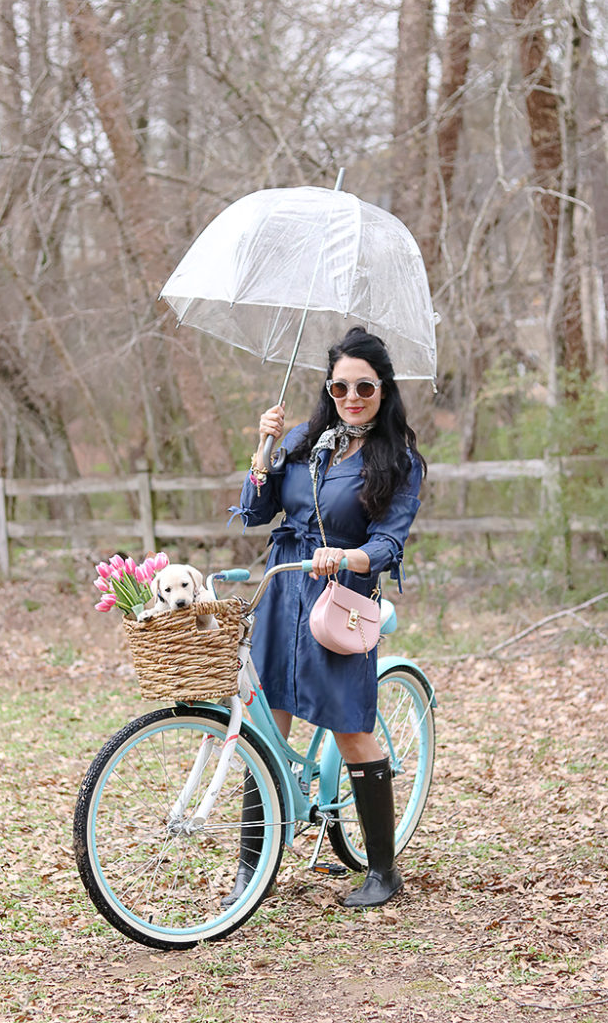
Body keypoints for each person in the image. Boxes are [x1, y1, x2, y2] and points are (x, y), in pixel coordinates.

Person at [225, 326, 426, 909]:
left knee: (351, 729)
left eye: (364, 386)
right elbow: (256, 511)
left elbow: (391, 542)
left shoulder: (399, 461)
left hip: (339, 598)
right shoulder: (302, 439)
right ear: (329, 389)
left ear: (384, 389)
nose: (351, 396)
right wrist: (262, 453)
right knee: (267, 725)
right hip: (284, 590)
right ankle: (252, 869)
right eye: (340, 387)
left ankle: (383, 871)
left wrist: (349, 554)